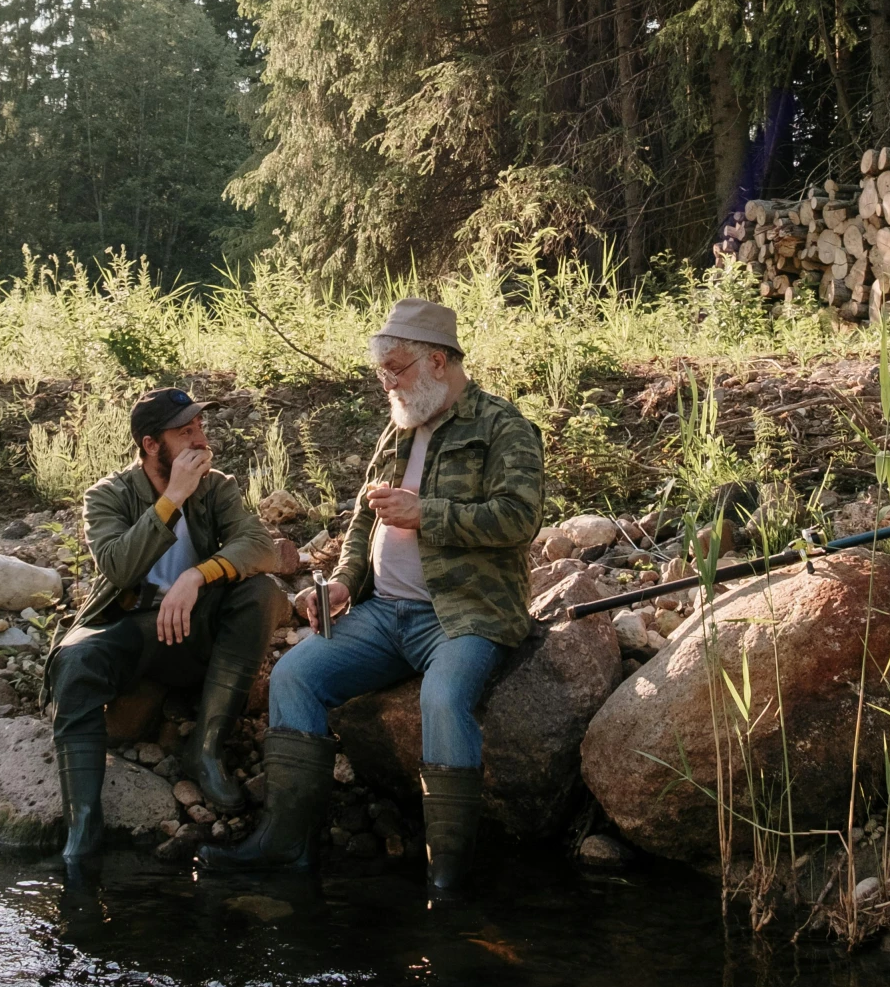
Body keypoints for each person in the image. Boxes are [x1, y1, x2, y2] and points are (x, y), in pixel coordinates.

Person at [207, 298, 544, 894]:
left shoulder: (504, 427)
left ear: (438, 361)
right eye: (382, 370)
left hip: (463, 616)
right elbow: (366, 522)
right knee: (295, 675)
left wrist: (427, 514)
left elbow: (519, 519)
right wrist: (343, 583)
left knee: (442, 699)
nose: (386, 382)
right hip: (385, 613)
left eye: (397, 369)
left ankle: (448, 878)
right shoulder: (400, 427)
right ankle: (287, 848)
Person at [49, 388, 287, 869]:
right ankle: (83, 825)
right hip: (136, 626)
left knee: (262, 592)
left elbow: (260, 547)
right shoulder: (108, 495)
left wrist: (198, 575)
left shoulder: (217, 486)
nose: (201, 439)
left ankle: (206, 750)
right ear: (151, 445)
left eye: (200, 427)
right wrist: (172, 497)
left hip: (195, 631)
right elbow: (117, 568)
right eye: (186, 432)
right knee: (75, 659)